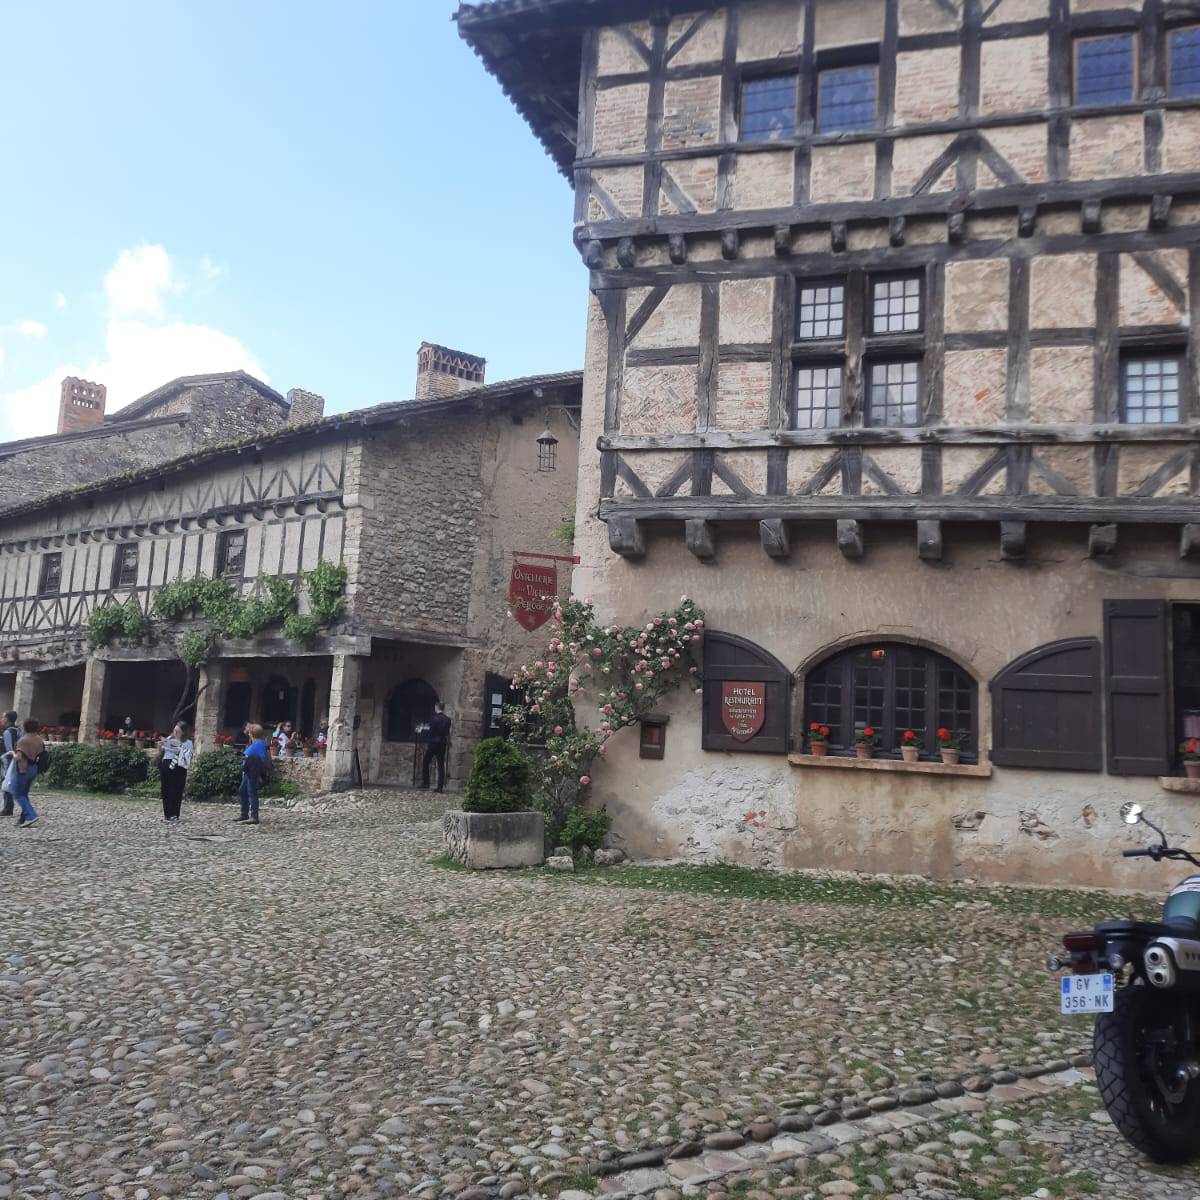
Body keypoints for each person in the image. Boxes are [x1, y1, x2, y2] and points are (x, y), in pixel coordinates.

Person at [9, 718, 46, 828]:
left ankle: (31, 815)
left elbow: (18, 757)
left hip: (23, 769)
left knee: (18, 794)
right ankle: (23, 819)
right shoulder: (39, 739)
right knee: (24, 794)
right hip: (34, 769)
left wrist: (12, 753)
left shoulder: (23, 740)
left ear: (25, 727)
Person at [159, 721, 193, 823]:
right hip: (167, 764)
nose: (175, 733)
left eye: (178, 731)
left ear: (183, 732)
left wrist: (174, 747)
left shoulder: (188, 742)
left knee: (176, 790)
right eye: (174, 731)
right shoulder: (169, 738)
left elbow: (186, 754)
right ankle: (167, 815)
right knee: (166, 790)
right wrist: (162, 746)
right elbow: (163, 751)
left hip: (179, 766)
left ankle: (175, 814)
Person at [237, 724, 268, 825]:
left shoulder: (259, 744)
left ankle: (254, 816)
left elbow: (261, 758)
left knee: (252, 792)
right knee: (243, 790)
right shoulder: (257, 743)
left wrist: (247, 758)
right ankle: (244, 814)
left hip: (253, 771)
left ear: (251, 734)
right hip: (249, 771)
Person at [422, 703, 452, 792]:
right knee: (441, 765)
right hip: (442, 743)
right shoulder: (448, 719)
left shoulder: (434, 718)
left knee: (426, 762)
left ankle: (426, 783)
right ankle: (440, 787)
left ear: (436, 707)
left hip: (433, 743)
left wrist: (425, 733)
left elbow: (431, 731)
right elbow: (447, 732)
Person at [1, 710, 19, 817]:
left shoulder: (7, 732)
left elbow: (9, 750)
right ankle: (9, 807)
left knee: (6, 783)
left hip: (8, 761)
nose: (2, 719)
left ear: (7, 719)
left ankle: (7, 808)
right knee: (9, 783)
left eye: (3, 717)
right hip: (17, 759)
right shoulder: (18, 730)